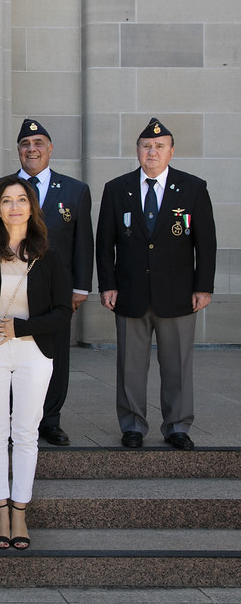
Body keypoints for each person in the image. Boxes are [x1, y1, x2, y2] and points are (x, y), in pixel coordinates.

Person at [96, 118, 215, 451]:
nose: (152, 151)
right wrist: (107, 285)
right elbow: (104, 243)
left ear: (171, 151)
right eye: (147, 146)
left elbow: (206, 243)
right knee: (130, 366)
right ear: (137, 151)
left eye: (159, 146)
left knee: (177, 365)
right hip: (130, 292)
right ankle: (133, 424)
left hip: (178, 295)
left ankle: (177, 425)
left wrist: (203, 287)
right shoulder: (117, 189)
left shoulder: (193, 188)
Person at [0, 175, 72, 550]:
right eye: (7, 201)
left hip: (34, 351)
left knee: (26, 432)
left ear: (32, 207)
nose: (15, 207)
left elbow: (64, 311)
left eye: (22, 200)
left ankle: (20, 511)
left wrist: (23, 327)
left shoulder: (50, 253)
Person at [0, 118, 93, 447]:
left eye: (39, 143)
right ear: (17, 151)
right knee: (9, 354)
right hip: (9, 289)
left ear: (50, 149)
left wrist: (80, 287)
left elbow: (83, 242)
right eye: (26, 145)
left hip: (55, 292)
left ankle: (50, 420)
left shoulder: (74, 190)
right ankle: (12, 417)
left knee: (53, 354)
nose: (32, 149)